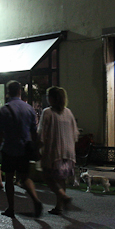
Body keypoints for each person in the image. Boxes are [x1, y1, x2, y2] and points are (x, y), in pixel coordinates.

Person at [0, 80, 43, 218]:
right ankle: (35, 199)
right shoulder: (29, 109)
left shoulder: (5, 109)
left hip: (9, 148)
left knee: (9, 178)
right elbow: (34, 132)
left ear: (8, 92)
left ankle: (11, 208)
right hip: (24, 149)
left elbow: (0, 134)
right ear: (19, 91)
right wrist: (36, 148)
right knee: (25, 177)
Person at [38, 87, 78, 215]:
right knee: (61, 179)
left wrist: (39, 148)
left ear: (52, 98)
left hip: (54, 151)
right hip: (69, 151)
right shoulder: (68, 113)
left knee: (47, 176)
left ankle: (62, 196)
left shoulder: (48, 112)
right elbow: (75, 133)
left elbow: (42, 133)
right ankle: (59, 206)